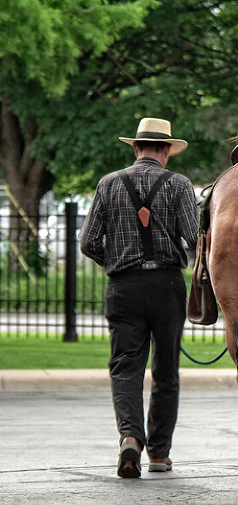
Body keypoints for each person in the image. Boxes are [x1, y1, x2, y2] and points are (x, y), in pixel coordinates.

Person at [80, 117, 199, 478]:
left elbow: (87, 242)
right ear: (167, 151)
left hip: (123, 287)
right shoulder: (179, 185)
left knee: (126, 367)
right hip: (167, 286)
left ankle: (130, 436)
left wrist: (115, 261)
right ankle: (159, 454)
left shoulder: (109, 183)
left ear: (135, 147)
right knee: (166, 370)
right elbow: (195, 240)